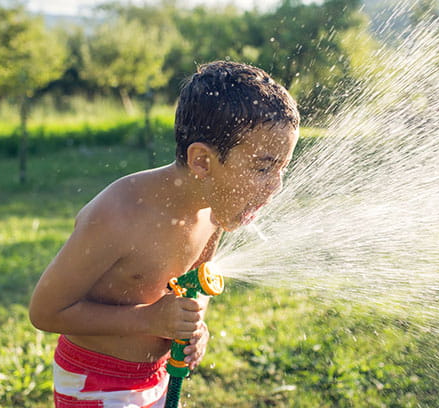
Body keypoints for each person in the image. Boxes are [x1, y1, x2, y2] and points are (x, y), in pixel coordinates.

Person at [28, 61, 300, 408]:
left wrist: (195, 326)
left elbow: (195, 284)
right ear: (202, 161)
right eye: (263, 167)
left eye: (282, 168)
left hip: (158, 376)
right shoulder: (118, 215)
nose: (276, 186)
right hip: (95, 383)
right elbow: (45, 311)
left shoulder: (212, 211)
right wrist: (149, 319)